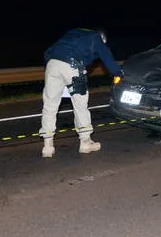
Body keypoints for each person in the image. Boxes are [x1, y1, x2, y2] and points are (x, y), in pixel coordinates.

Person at [39, 28, 123, 158]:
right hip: (72, 66)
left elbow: (48, 52)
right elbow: (108, 60)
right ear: (102, 38)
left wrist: (55, 67)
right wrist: (119, 73)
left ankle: (47, 146)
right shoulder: (96, 38)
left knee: (49, 106)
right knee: (80, 105)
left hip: (52, 65)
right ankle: (85, 142)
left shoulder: (73, 33)